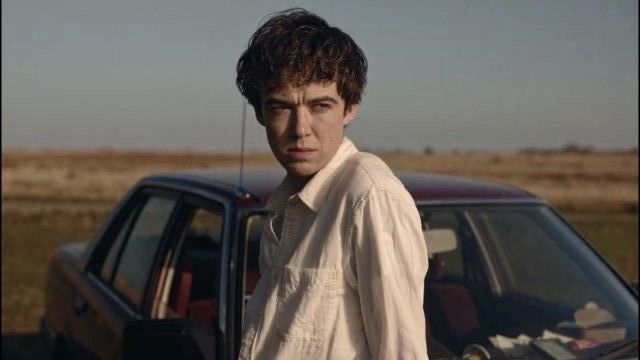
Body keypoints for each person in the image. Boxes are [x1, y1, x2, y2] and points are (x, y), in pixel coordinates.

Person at [236, 8, 429, 359]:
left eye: (320, 105)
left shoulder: (370, 197)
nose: (300, 128)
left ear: (350, 108)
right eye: (281, 107)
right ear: (261, 114)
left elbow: (403, 353)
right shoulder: (284, 205)